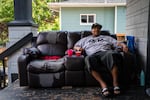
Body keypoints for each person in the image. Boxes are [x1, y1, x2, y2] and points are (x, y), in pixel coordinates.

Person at [74, 23, 128, 97]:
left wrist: (124, 45)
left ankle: (115, 83)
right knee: (88, 59)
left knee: (112, 55)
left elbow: (117, 43)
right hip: (92, 54)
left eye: (98, 28)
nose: (96, 30)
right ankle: (103, 85)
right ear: (91, 30)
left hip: (105, 52)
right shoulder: (85, 39)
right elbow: (75, 46)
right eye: (94, 28)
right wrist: (79, 48)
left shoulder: (106, 37)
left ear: (100, 30)